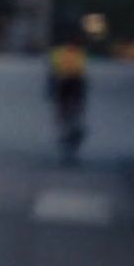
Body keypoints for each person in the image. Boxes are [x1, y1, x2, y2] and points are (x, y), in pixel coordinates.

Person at [48, 24, 89, 164]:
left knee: (71, 110)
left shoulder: (75, 53)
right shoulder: (69, 53)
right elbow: (54, 72)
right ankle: (67, 130)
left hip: (72, 84)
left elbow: (80, 73)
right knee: (65, 110)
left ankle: (71, 129)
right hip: (66, 84)